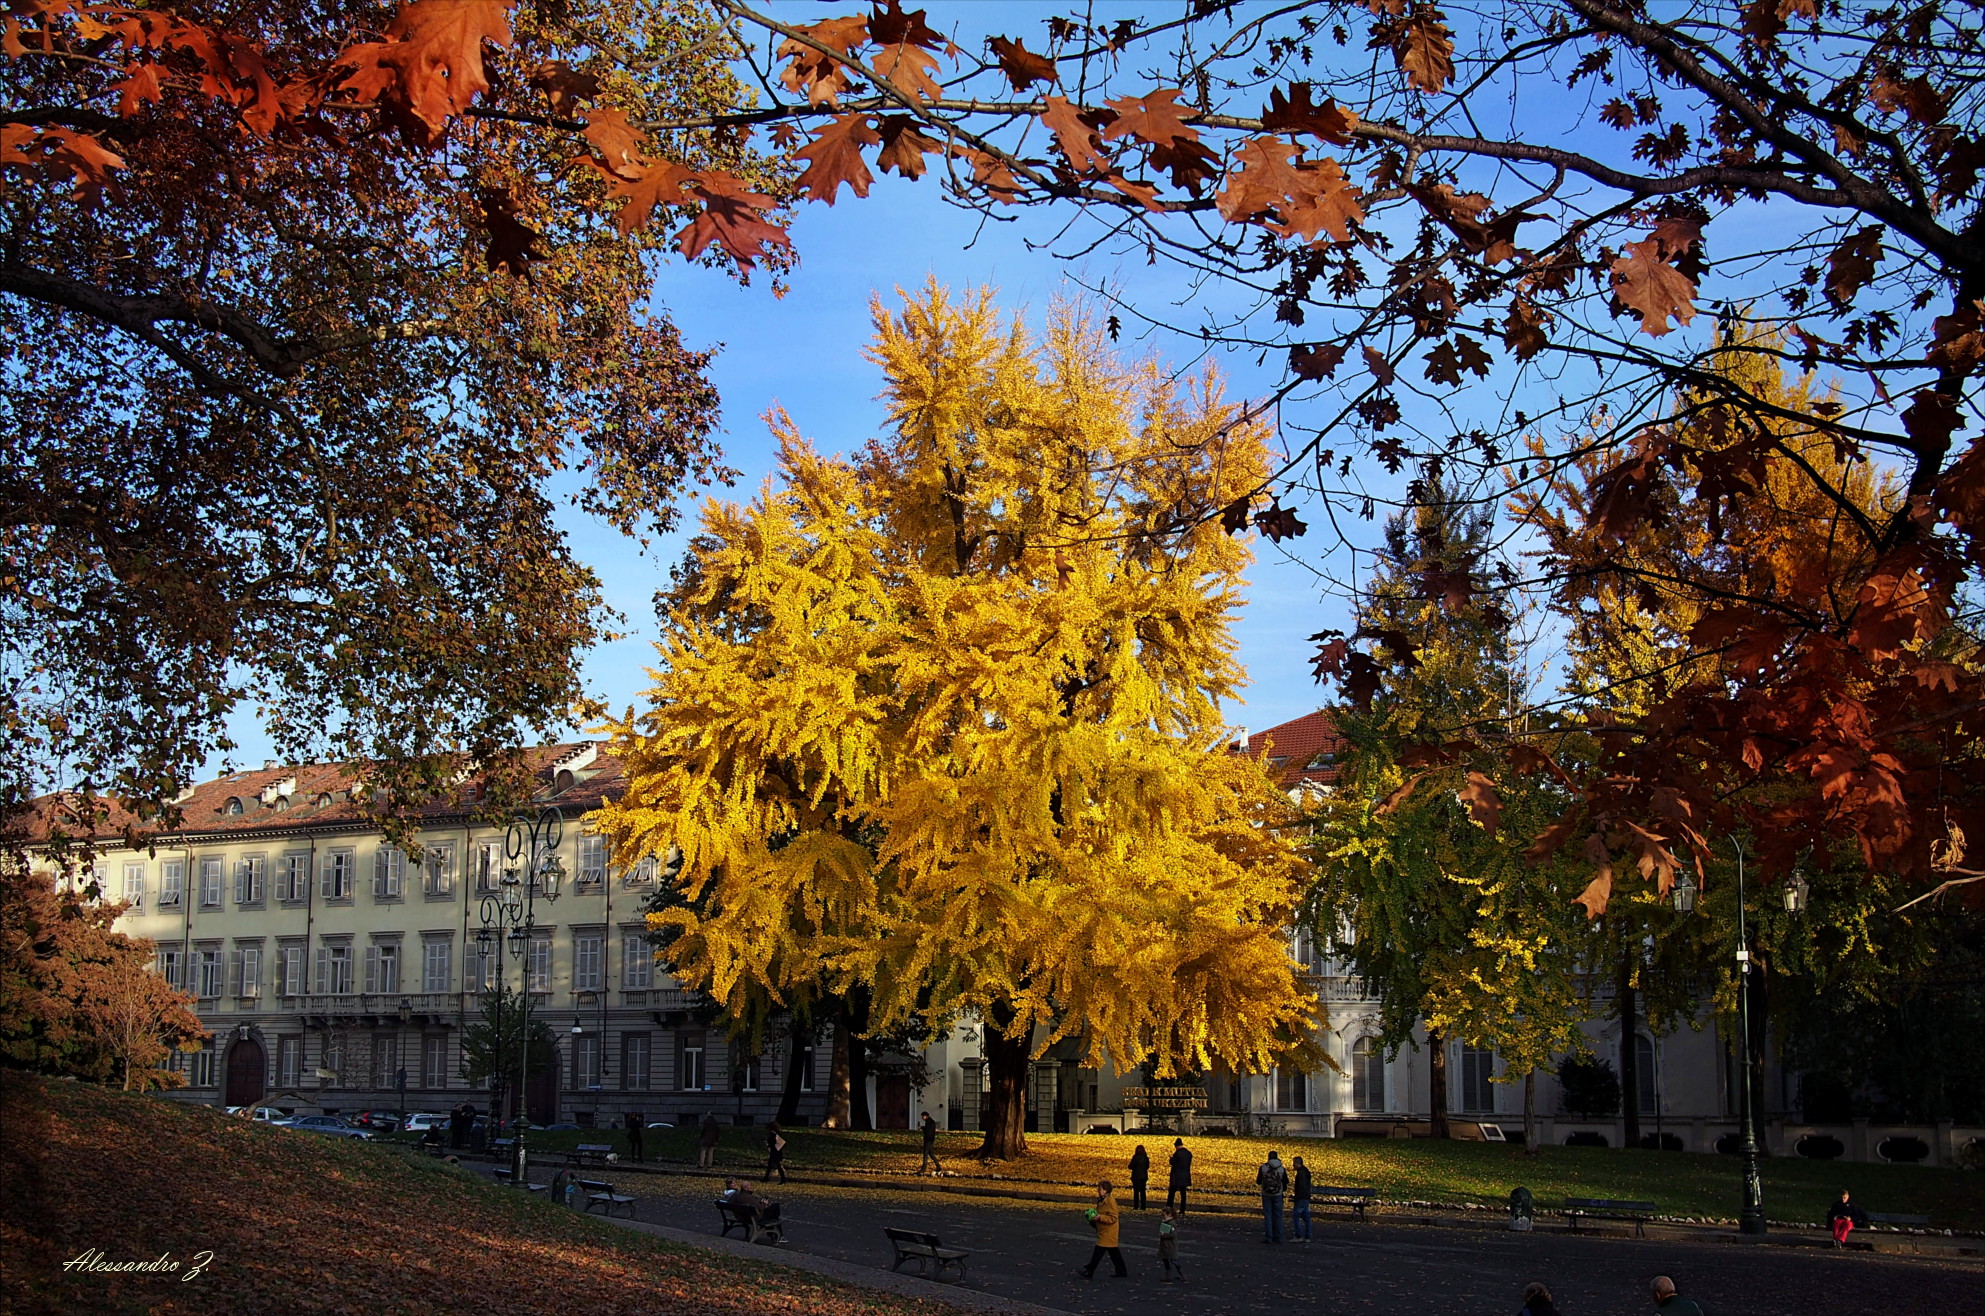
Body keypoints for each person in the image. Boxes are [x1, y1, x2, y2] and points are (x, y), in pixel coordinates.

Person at [1077, 1180, 1127, 1279]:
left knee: (1099, 1250)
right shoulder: (1103, 1200)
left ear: (1106, 1190)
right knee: (1113, 1252)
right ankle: (1121, 1271)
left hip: (1108, 1231)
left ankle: (1090, 1270)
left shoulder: (1110, 1201)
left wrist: (1099, 1217)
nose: (1098, 1191)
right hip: (1105, 1230)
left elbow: (1113, 1218)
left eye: (1100, 1189)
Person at [1256, 1150, 1287, 1243]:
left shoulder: (1263, 1168)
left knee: (1268, 1216)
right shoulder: (1282, 1168)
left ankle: (1269, 1237)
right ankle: (1279, 1237)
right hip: (1278, 1194)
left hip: (1266, 1194)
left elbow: (1258, 1181)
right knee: (1278, 1216)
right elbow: (1286, 1181)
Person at [1166, 1137, 1194, 1213]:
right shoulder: (1188, 1153)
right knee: (1183, 1194)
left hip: (1176, 1176)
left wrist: (1171, 1159)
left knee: (1171, 1193)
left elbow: (1173, 1163)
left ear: (1177, 1146)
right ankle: (1182, 1209)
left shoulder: (1177, 1153)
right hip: (1185, 1176)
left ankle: (1169, 1208)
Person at [1157, 1207, 1184, 1283]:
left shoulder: (1171, 1224)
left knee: (1173, 1260)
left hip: (1170, 1246)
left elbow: (1173, 1235)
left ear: (1169, 1215)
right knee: (1166, 1261)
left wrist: (1163, 1235)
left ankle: (1183, 1276)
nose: (1162, 1217)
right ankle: (1169, 1277)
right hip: (1166, 1246)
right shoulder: (1166, 1223)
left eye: (1164, 1215)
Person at [1290, 1154, 1312, 1241]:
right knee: (1306, 1217)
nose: (1293, 1165)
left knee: (1296, 1216)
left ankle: (1298, 1235)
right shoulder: (1305, 1172)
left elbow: (1301, 1187)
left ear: (1298, 1163)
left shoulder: (1301, 1174)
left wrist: (1297, 1197)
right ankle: (1308, 1235)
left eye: (1294, 1163)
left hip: (1301, 1198)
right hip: (1306, 1197)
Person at [1127, 1144, 1150, 1210]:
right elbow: (1147, 1166)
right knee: (1143, 1192)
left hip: (1136, 1176)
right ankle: (1143, 1206)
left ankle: (1136, 1206)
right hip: (1143, 1176)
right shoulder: (1146, 1158)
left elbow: (1130, 1166)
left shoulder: (1135, 1157)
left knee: (1136, 1192)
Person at [919, 1111, 943, 1175]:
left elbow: (928, 1131)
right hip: (931, 1140)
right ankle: (938, 1166)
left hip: (928, 1140)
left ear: (925, 1116)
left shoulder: (929, 1122)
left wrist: (923, 1128)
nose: (922, 1118)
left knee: (925, 1154)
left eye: (922, 1116)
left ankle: (923, 1168)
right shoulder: (931, 1121)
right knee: (931, 1154)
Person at [764, 1117, 788, 1183]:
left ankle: (783, 1179)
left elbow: (772, 1143)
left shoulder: (772, 1134)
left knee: (776, 1166)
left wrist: (768, 1144)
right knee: (771, 1165)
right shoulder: (776, 1134)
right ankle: (766, 1178)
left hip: (774, 1153)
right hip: (776, 1152)